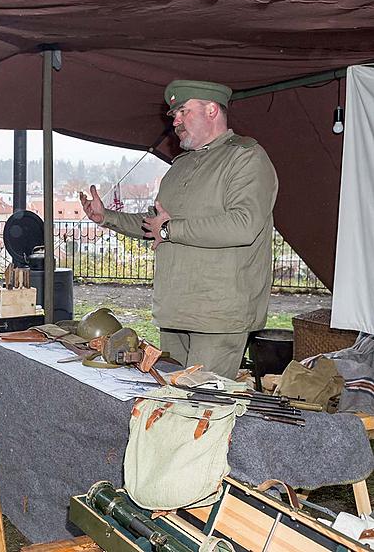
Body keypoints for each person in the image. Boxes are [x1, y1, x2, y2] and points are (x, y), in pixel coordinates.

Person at [80, 80, 278, 378]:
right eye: (174, 114)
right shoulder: (180, 167)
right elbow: (154, 224)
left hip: (216, 315)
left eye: (183, 111)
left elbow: (244, 225)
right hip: (175, 311)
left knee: (202, 406)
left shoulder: (246, 158)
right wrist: (106, 216)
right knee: (172, 400)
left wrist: (171, 229)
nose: (176, 121)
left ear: (212, 110)